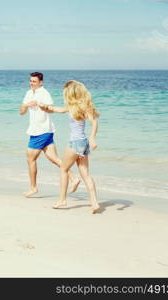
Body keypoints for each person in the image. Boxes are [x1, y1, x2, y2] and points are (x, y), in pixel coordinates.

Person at [39, 80, 100, 213]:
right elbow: (94, 122)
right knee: (86, 174)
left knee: (63, 169)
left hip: (74, 143)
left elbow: (59, 109)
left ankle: (62, 200)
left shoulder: (72, 107)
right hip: (83, 143)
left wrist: (93, 138)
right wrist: (46, 107)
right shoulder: (84, 106)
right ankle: (94, 203)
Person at [20, 72, 80, 197]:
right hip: (37, 130)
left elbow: (51, 110)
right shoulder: (28, 93)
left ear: (41, 82)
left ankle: (33, 187)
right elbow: (21, 112)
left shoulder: (44, 93)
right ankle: (73, 178)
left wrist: (42, 106)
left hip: (41, 131)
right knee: (54, 159)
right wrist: (26, 105)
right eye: (30, 81)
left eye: (34, 81)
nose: (32, 83)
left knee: (30, 159)